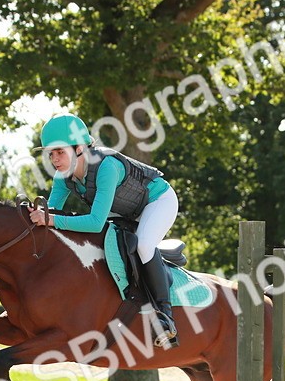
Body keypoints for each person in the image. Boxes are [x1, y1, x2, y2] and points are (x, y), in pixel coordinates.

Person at [29, 113, 179, 348]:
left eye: (60, 152)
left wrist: (49, 220)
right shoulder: (62, 177)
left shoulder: (106, 166)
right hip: (126, 212)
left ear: (79, 147)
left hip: (158, 201)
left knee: (143, 245)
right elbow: (52, 212)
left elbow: (95, 222)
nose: (55, 159)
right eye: (51, 153)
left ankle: (164, 316)